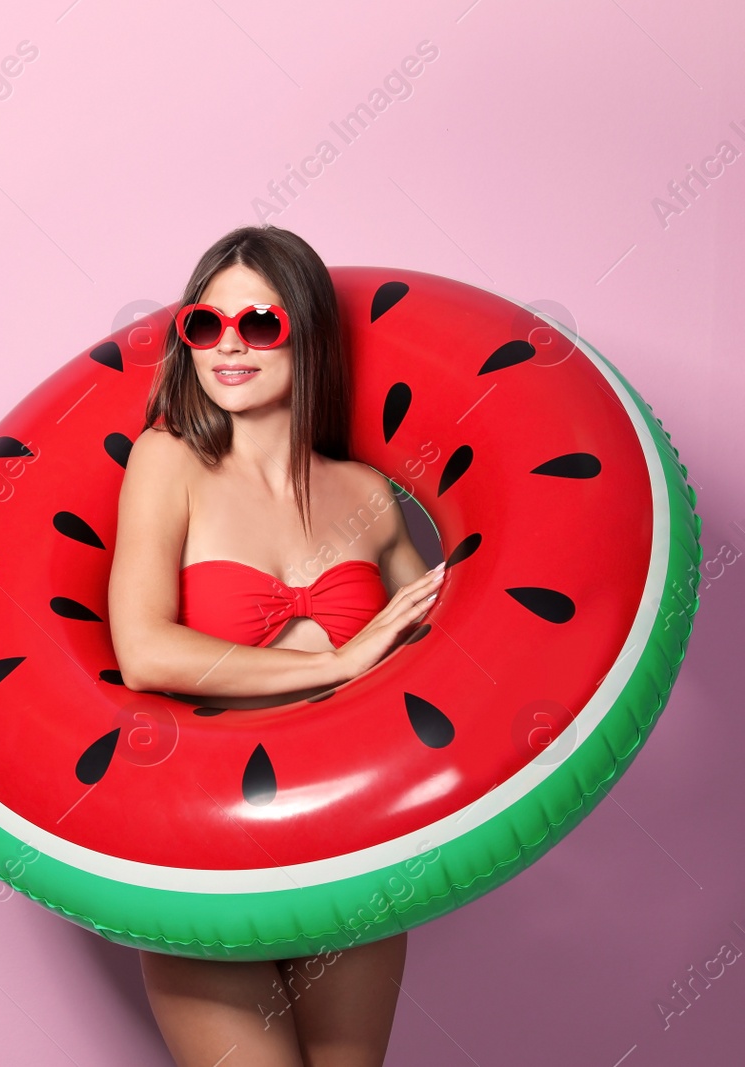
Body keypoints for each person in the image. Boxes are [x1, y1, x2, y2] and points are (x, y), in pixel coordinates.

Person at [107, 225, 447, 1067]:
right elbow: (146, 650)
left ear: (308, 331)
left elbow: (437, 641)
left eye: (258, 325)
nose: (228, 346)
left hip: (351, 842)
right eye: (204, 325)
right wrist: (332, 661)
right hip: (205, 848)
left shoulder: (367, 492)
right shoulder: (167, 460)